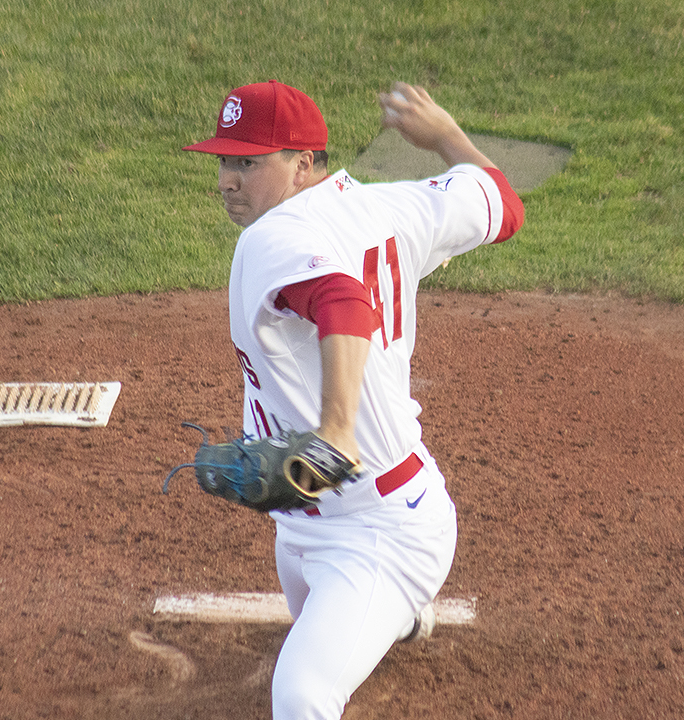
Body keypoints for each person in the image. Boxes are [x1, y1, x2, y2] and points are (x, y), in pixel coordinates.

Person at [182, 79, 524, 720]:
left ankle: (392, 596)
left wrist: (336, 429)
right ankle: (396, 615)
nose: (228, 180)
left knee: (301, 694)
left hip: (377, 531)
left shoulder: (274, 237)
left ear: (302, 164)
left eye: (249, 163)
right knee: (315, 614)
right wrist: (447, 137)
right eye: (225, 160)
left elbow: (343, 301)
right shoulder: (392, 206)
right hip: (309, 519)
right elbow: (503, 205)